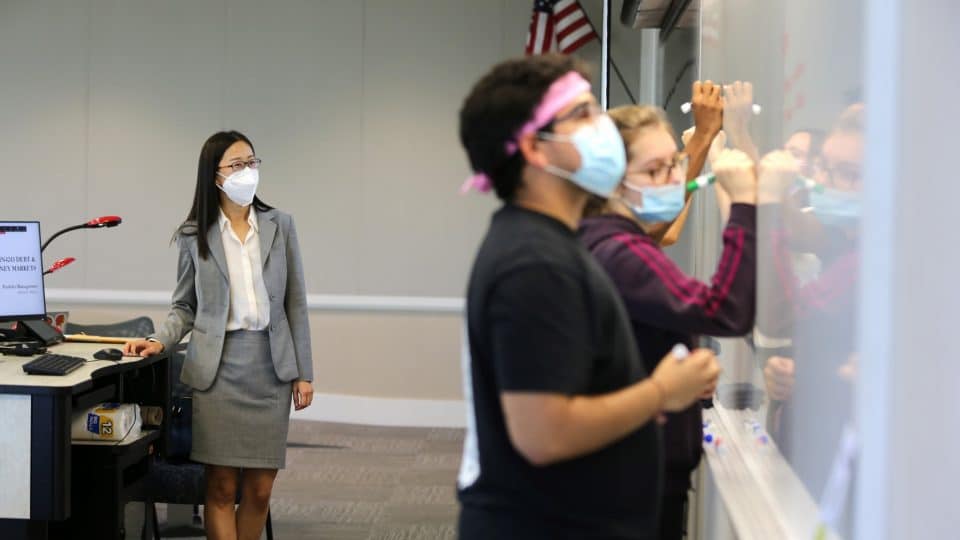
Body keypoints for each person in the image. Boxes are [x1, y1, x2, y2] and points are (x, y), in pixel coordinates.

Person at [456, 54, 720, 540]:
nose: (603, 126)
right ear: (536, 148)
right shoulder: (534, 263)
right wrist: (661, 392)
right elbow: (545, 434)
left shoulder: (557, 244)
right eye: (582, 115)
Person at [578, 103, 762, 540]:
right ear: (610, 181)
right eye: (655, 170)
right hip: (634, 479)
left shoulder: (606, 239)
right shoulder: (622, 254)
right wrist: (745, 205)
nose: (674, 180)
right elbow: (726, 310)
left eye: (675, 165)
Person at [124, 131, 314, 540]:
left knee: (259, 491)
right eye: (236, 164)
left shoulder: (280, 225)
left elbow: (295, 303)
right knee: (222, 487)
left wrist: (305, 372)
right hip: (219, 373)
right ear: (215, 176)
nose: (247, 171)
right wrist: (160, 339)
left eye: (251, 162)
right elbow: (184, 307)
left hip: (272, 370)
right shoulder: (195, 235)